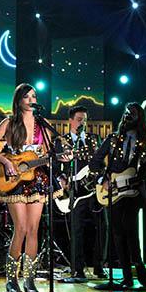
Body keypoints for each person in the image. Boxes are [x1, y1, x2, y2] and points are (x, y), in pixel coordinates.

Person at [0, 83, 70, 292]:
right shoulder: (9, 122)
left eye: (34, 96)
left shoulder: (43, 124)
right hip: (15, 179)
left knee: (34, 229)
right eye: (27, 97)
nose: (32, 100)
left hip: (37, 177)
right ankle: (11, 280)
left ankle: (29, 280)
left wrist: (61, 157)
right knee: (20, 228)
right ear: (19, 100)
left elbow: (49, 154)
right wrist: (6, 162)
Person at [89, 102, 146, 288]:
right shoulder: (113, 139)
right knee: (117, 232)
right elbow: (94, 162)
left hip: (134, 192)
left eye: (133, 113)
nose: (128, 115)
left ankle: (138, 262)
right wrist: (103, 178)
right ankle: (127, 276)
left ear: (140, 117)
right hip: (114, 192)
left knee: (129, 226)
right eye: (127, 112)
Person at [57, 106, 107, 279]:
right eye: (79, 119)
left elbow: (101, 163)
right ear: (70, 121)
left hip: (95, 188)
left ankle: (99, 266)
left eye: (84, 119)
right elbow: (55, 167)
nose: (82, 123)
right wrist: (62, 179)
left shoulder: (95, 139)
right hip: (76, 191)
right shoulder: (61, 141)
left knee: (102, 227)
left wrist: (102, 178)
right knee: (77, 229)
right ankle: (77, 269)